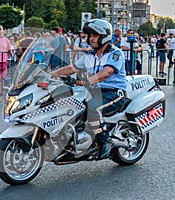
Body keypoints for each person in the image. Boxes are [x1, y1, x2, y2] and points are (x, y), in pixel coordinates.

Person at [50, 19, 126, 159]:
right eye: (90, 35)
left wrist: (88, 81)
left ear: (105, 36)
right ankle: (76, 138)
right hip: (93, 91)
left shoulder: (115, 53)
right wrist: (51, 74)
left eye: (95, 35)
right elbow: (72, 68)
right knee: (70, 103)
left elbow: (107, 72)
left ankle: (105, 142)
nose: (91, 38)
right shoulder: (89, 54)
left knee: (93, 107)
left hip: (114, 92)